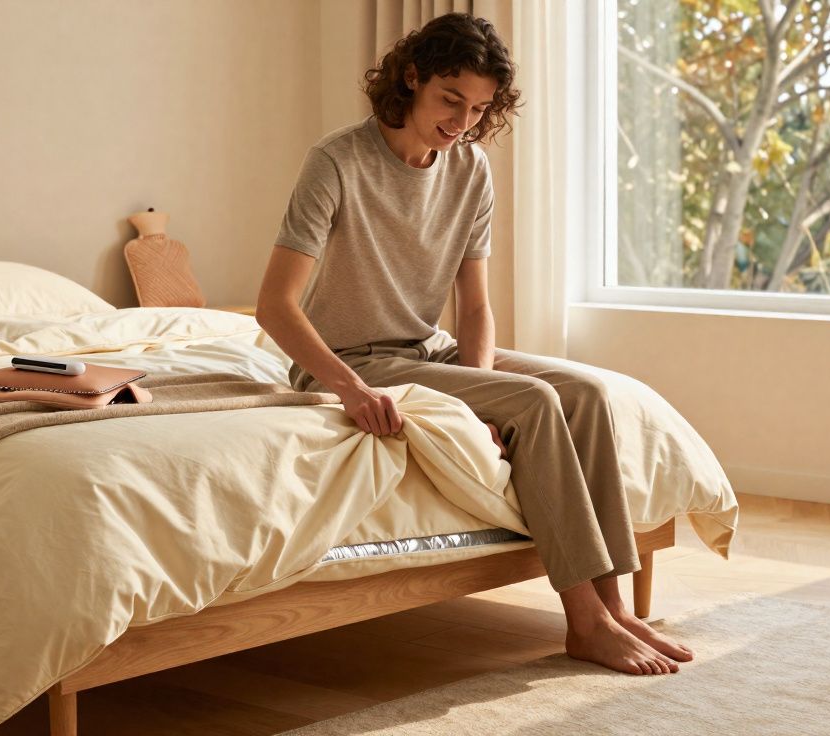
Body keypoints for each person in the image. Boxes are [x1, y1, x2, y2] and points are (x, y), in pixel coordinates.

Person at [256, 12, 693, 676]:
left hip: (430, 349)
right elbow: (275, 307)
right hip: (352, 362)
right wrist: (349, 387)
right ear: (411, 78)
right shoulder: (337, 161)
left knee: (584, 393)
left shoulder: (471, 171)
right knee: (538, 404)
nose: (462, 119)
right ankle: (583, 622)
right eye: (450, 99)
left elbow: (478, 303)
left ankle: (617, 607)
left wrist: (482, 394)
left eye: (479, 108)